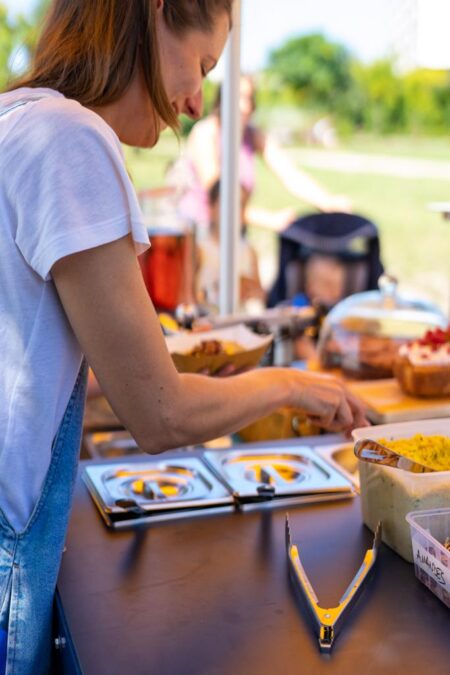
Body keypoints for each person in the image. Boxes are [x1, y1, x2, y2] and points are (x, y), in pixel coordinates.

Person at [0, 1, 368, 672]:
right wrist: (290, 384)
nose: (197, 102)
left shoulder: (18, 118)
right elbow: (160, 414)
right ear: (153, 13)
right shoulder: (70, 139)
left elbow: (48, 381)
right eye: (200, 65)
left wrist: (207, 387)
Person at [175, 74, 352, 234]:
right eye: (238, 97)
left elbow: (289, 172)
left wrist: (327, 202)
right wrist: (270, 219)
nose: (244, 106)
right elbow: (219, 197)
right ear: (222, 99)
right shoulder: (206, 133)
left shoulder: (251, 135)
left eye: (248, 98)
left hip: (235, 232)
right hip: (199, 232)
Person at [198, 179, 266, 312]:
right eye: (227, 203)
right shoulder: (200, 249)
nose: (234, 211)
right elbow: (192, 296)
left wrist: (250, 291)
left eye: (240, 205)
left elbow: (260, 295)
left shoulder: (249, 251)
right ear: (211, 208)